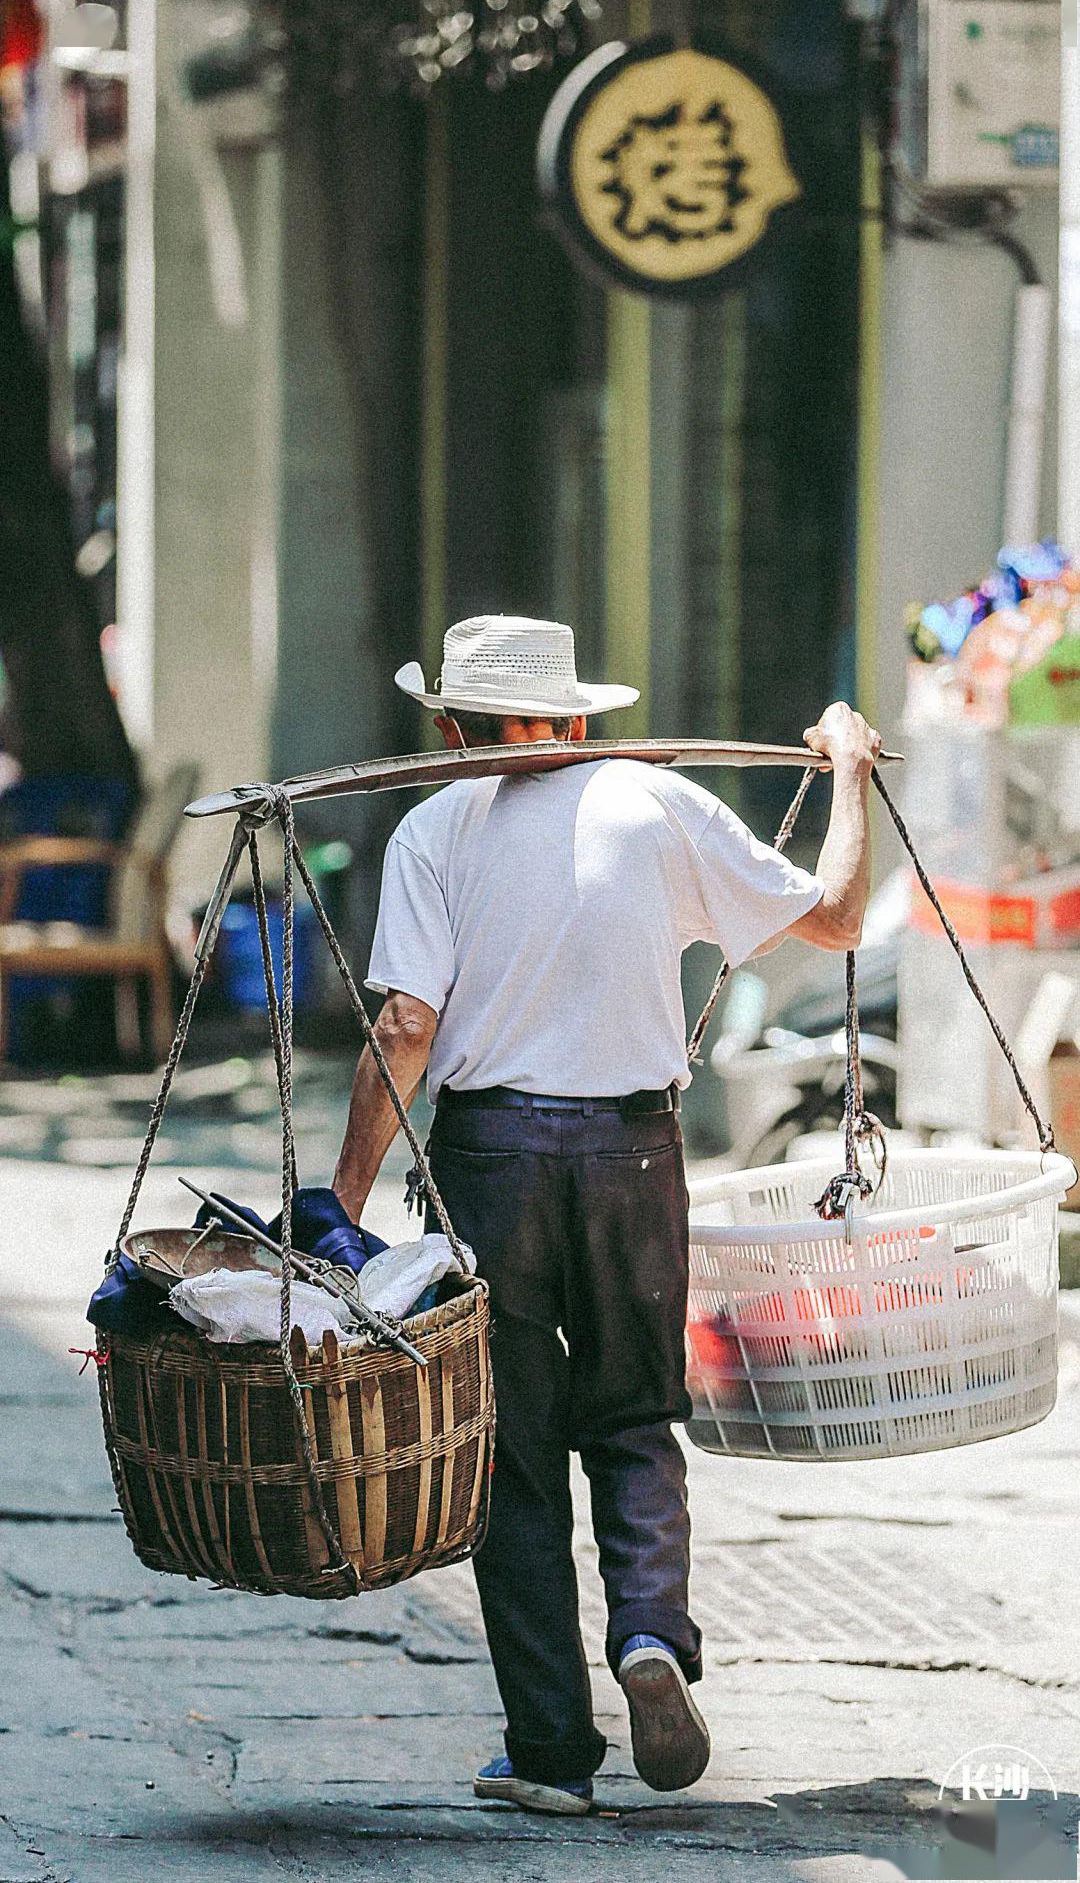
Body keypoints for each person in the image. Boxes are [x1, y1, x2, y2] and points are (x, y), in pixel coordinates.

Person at [333, 615, 880, 1815]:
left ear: (447, 728)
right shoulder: (654, 802)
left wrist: (340, 1197)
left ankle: (548, 1752)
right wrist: (849, 768)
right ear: (577, 718)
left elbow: (406, 1030)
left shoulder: (431, 830)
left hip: (491, 1162)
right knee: (635, 1417)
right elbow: (838, 916)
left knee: (513, 1455)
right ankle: (647, 1634)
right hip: (635, 1148)